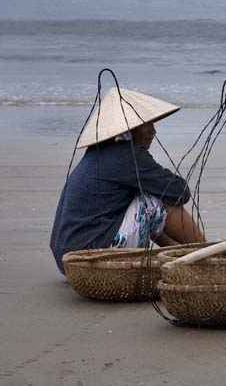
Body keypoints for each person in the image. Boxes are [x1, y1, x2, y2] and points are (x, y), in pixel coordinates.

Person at [49, 87, 205, 274]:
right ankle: (206, 252)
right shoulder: (127, 155)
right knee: (154, 202)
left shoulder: (98, 152)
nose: (153, 131)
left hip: (67, 260)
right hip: (90, 254)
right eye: (147, 125)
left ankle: (181, 253)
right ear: (129, 128)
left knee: (143, 199)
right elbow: (180, 193)